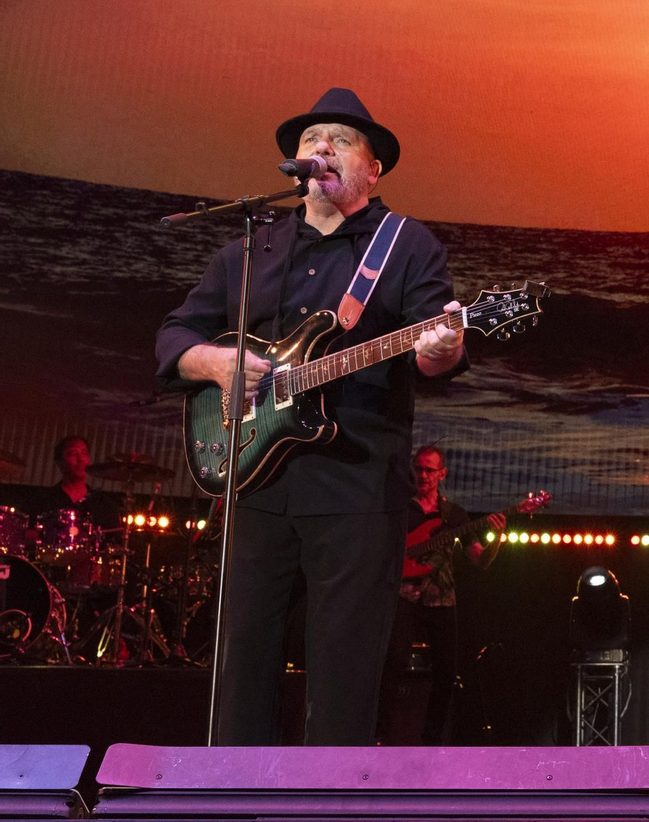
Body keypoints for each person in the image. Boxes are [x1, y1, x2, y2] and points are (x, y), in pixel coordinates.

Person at [156, 88, 466, 745]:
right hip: (254, 482)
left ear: (372, 168)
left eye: (341, 139)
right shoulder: (253, 247)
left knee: (345, 670)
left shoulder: (405, 245)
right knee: (242, 660)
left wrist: (445, 345)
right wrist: (215, 364)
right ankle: (229, 801)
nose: (322, 147)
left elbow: (435, 358)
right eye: (310, 140)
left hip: (355, 485)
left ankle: (331, 807)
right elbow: (175, 337)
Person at [377, 445, 504, 744]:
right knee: (392, 665)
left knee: (446, 672)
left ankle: (431, 741)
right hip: (404, 596)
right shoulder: (399, 508)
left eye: (429, 470)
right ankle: (380, 736)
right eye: (418, 468)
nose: (423, 475)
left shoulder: (453, 514)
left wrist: (497, 539)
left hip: (442, 600)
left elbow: (480, 561)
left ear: (442, 474)